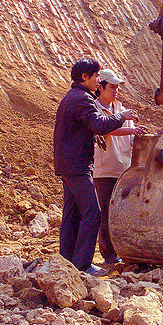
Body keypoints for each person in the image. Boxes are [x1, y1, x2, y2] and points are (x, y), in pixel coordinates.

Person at [53, 57, 135, 277]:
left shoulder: (72, 97)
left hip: (68, 164)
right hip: (78, 166)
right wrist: (122, 117)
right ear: (84, 77)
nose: (98, 81)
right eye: (96, 76)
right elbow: (99, 125)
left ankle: (66, 261)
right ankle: (83, 264)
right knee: (93, 212)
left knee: (72, 214)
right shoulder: (82, 99)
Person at [93, 69, 147, 265]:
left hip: (124, 169)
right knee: (106, 212)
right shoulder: (96, 111)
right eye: (112, 86)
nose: (116, 90)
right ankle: (108, 255)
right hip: (106, 169)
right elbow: (106, 128)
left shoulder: (120, 109)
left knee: (122, 212)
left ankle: (123, 250)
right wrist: (131, 128)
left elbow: (130, 132)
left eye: (117, 87)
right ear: (101, 87)